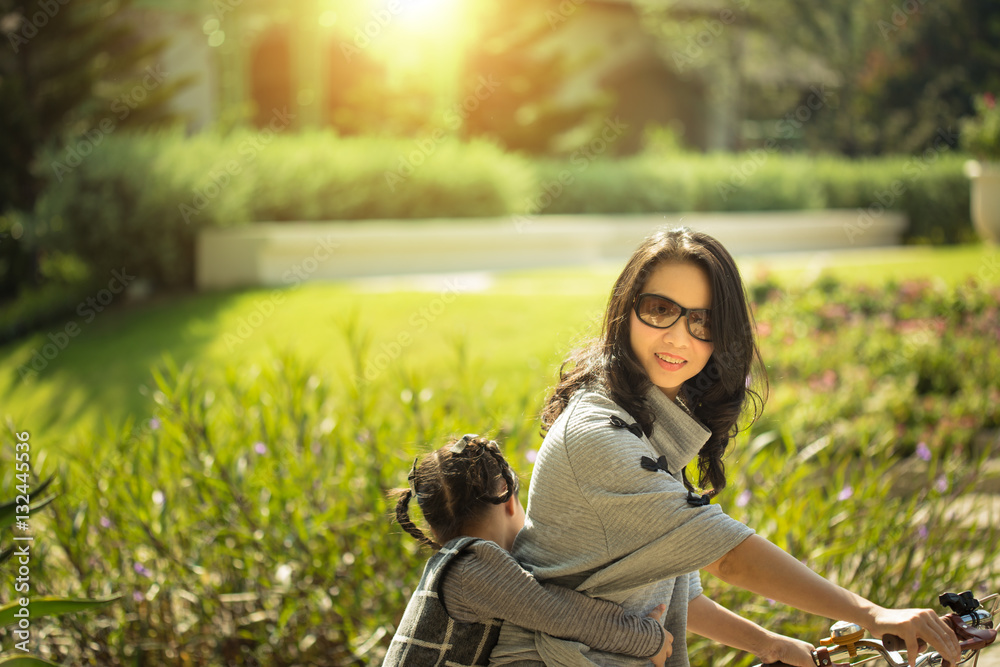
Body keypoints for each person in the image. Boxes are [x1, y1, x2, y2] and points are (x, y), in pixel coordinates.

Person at [488, 227, 961, 667]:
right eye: (659, 310)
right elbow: (730, 558)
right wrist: (873, 614)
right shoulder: (599, 436)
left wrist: (766, 643)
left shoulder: (645, 426)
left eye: (703, 322)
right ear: (624, 310)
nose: (678, 336)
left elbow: (680, 596)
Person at [382, 434, 674, 667]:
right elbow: (558, 613)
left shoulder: (453, 567)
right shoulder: (471, 568)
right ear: (508, 499)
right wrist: (648, 640)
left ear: (433, 530)